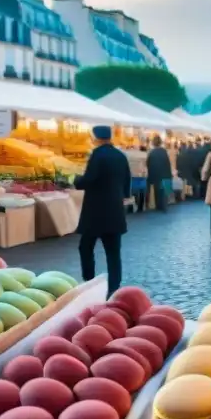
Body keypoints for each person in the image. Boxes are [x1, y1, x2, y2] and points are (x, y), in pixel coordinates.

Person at [74, 125, 131, 294]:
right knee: (113, 252)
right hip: (115, 211)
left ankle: (89, 280)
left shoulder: (97, 155)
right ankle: (114, 286)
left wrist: (77, 180)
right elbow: (127, 181)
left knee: (85, 246)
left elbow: (89, 179)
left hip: (95, 211)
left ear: (96, 137)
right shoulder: (120, 155)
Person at [146, 135, 172, 211]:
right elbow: (168, 164)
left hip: (155, 175)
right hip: (166, 175)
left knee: (157, 191)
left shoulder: (151, 152)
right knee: (165, 192)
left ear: (153, 143)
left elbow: (148, 164)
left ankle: (159, 207)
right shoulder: (164, 151)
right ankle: (164, 206)